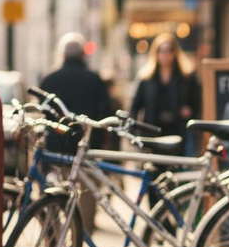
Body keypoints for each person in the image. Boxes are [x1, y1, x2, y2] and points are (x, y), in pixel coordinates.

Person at [39, 32, 115, 232]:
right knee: (86, 196)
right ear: (83, 55)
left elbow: (43, 114)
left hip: (57, 148)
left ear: (62, 54)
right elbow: (105, 112)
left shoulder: (49, 79)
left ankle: (54, 239)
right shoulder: (94, 79)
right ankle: (82, 235)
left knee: (53, 195)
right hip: (87, 148)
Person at [130, 31, 201, 156]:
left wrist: (189, 111)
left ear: (175, 53)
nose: (165, 55)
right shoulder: (146, 79)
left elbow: (198, 103)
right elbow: (135, 107)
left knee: (177, 168)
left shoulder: (187, 77)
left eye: (169, 50)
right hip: (153, 131)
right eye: (161, 51)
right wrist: (135, 134)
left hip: (178, 132)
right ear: (155, 53)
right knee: (154, 170)